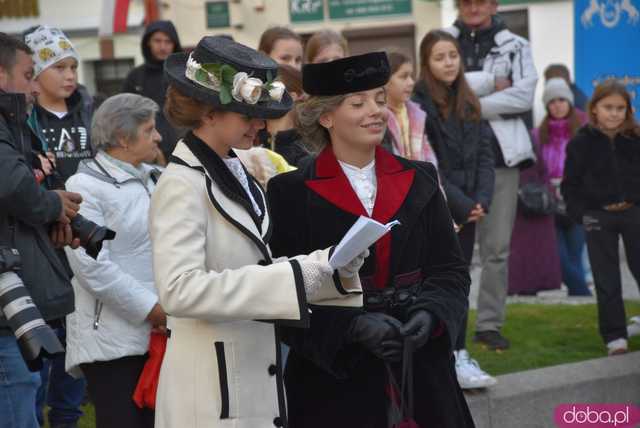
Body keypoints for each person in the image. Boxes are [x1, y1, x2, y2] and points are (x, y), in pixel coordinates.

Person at [149, 36, 366, 427]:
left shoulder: (235, 166)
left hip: (247, 380)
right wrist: (295, 277)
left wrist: (326, 268)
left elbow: (253, 263)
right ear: (210, 113)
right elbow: (179, 290)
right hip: (212, 397)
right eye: (249, 115)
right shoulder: (181, 183)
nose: (261, 125)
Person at [267, 52, 473, 427]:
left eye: (380, 99)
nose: (376, 110)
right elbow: (283, 292)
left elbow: (450, 270)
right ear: (326, 116)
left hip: (421, 365)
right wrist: (351, 328)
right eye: (357, 103)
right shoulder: (289, 192)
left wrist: (431, 314)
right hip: (333, 380)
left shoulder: (421, 178)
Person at [62, 93, 164, 428]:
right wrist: (152, 309)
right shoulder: (84, 186)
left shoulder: (158, 179)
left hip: (162, 331)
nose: (158, 137)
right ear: (123, 138)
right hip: (112, 342)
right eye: (149, 130)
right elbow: (92, 267)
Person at [444, 0, 538, 350]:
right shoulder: (442, 40)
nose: (472, 7)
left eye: (479, 1)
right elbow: (434, 92)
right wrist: (490, 84)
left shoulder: (517, 45)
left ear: (493, 4)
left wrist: (466, 101)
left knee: (496, 250)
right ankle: (451, 329)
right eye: (465, 1)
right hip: (452, 163)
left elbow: (524, 96)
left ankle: (488, 326)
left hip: (502, 159)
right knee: (454, 253)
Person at [0, 32, 82, 428]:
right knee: (18, 395)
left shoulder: (15, 123)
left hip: (27, 278)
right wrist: (54, 205)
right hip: (8, 295)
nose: (32, 86)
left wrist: (54, 217)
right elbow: (17, 188)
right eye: (28, 74)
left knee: (27, 388)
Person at [413, 30, 496, 389]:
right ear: (426, 63)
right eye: (439, 57)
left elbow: (485, 155)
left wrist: (481, 200)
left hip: (471, 205)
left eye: (452, 55)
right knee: (443, 279)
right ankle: (447, 354)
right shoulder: (419, 103)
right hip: (442, 204)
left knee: (462, 280)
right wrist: (462, 203)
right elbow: (430, 162)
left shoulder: (469, 99)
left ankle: (460, 353)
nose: (448, 63)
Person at [23, 26, 91, 427]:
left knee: (75, 340)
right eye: (58, 67)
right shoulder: (25, 121)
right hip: (43, 239)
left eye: (73, 67)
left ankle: (67, 414)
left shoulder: (88, 110)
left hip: (82, 240)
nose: (69, 76)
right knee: (44, 345)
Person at [561, 80, 640, 356]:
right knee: (606, 278)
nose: (615, 113)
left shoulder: (636, 138)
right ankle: (615, 336)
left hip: (634, 212)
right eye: (608, 107)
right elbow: (569, 186)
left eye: (621, 108)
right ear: (594, 109)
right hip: (597, 217)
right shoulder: (580, 143)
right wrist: (582, 216)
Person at [528, 77, 590, 296]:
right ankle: (585, 295)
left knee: (575, 256)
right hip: (550, 204)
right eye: (552, 101)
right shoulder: (537, 134)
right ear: (547, 105)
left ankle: (579, 303)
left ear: (570, 102)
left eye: (562, 99)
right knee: (558, 257)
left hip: (577, 203)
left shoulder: (585, 130)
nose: (558, 105)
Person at [122, 20, 182, 164]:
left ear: (175, 44)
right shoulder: (135, 77)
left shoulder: (182, 76)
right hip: (145, 154)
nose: (162, 46)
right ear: (148, 42)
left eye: (168, 41)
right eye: (157, 41)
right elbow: (126, 117)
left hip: (183, 150)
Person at [384, 49, 437, 165]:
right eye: (404, 77)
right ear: (385, 81)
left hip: (420, 178)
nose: (411, 82)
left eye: (411, 76)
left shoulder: (417, 114)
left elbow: (428, 155)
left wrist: (433, 181)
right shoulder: (379, 117)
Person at [256, 63, 310, 167]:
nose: (264, 96)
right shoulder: (251, 140)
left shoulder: (304, 150)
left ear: (293, 97)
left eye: (273, 90)